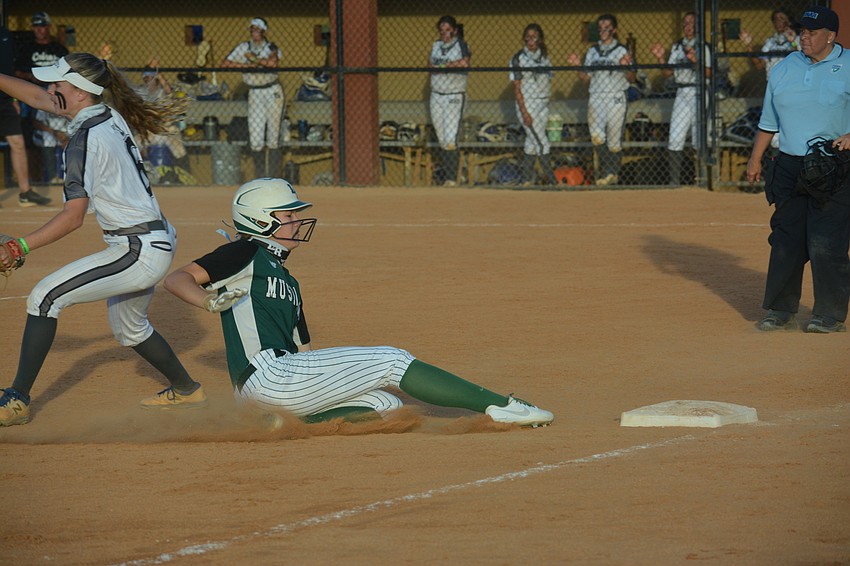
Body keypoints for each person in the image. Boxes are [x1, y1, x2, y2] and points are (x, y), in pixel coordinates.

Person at [161, 177, 555, 427]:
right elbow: (177, 279)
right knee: (391, 360)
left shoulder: (288, 281)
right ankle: (500, 405)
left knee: (387, 406)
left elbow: (305, 353)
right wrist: (209, 301)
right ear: (261, 220)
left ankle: (276, 422)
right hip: (268, 375)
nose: (297, 221)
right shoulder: (245, 252)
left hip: (276, 385)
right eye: (288, 215)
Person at [0, 53, 205, 427]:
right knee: (130, 329)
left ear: (80, 92)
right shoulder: (104, 113)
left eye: (57, 83)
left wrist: (19, 247)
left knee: (44, 297)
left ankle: (16, 400)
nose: (50, 89)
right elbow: (38, 98)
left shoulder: (83, 140)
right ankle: (188, 390)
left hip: (137, 249)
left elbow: (73, 217)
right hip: (154, 237)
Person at [745, 6, 850, 334]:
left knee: (826, 240)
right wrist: (754, 158)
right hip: (790, 165)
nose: (804, 36)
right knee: (786, 239)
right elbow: (768, 121)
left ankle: (829, 315)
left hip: (833, 164)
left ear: (830, 36)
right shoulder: (784, 68)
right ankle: (780, 309)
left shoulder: (848, 65)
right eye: (802, 30)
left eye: (812, 32)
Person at [567, 14, 634, 186]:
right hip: (596, 95)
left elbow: (632, 78)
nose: (603, 31)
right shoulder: (592, 51)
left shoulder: (621, 50)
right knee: (596, 136)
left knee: (614, 141)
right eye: (600, 28)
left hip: (616, 96)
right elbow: (585, 78)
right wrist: (577, 66)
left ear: (614, 30)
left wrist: (626, 67)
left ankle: (612, 173)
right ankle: (610, 171)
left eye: (607, 27)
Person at [651, 12, 711, 186]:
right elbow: (667, 73)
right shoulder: (677, 46)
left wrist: (695, 62)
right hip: (682, 92)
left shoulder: (703, 46)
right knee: (675, 136)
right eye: (685, 23)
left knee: (699, 138)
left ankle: (702, 180)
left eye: (691, 23)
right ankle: (674, 182)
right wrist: (660, 58)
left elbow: (709, 73)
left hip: (699, 91)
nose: (688, 27)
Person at [14, 11, 67, 205]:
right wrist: (31, 77)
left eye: (43, 26)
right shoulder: (27, 49)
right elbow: (16, 73)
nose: (40, 30)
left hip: (56, 94)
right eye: (36, 26)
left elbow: (68, 73)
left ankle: (64, 176)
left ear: (48, 27)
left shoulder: (59, 49)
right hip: (32, 96)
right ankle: (36, 177)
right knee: (27, 136)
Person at [221, 17, 284, 179]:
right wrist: (247, 65)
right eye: (252, 29)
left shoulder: (270, 47)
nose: (254, 33)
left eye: (258, 30)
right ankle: (261, 176)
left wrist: (254, 59)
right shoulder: (244, 47)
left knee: (273, 136)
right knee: (256, 138)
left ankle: (273, 177)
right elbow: (226, 63)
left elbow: (273, 63)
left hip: (272, 90)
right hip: (255, 92)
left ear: (263, 31)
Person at [1, 24, 49, 207]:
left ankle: (25, 192)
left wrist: (14, 97)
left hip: (5, 98)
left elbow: (9, 69)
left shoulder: (5, 34)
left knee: (18, 143)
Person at [510, 23, 556, 185]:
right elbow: (517, 87)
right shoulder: (518, 58)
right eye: (528, 36)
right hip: (528, 103)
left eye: (534, 36)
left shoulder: (545, 57)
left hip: (543, 103)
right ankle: (552, 181)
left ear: (540, 39)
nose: (530, 39)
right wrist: (524, 111)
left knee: (531, 143)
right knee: (541, 142)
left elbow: (548, 79)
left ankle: (526, 180)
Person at [428, 15, 471, 187]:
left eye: (448, 30)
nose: (444, 33)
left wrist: (443, 66)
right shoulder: (436, 46)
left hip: (454, 94)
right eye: (442, 30)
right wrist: (438, 67)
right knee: (442, 138)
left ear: (454, 30)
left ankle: (452, 179)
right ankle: (452, 174)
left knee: (450, 137)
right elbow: (430, 64)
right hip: (436, 94)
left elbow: (464, 63)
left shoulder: (461, 44)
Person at [134, 59, 189, 173]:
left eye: (153, 79)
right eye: (147, 79)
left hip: (165, 128)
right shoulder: (142, 92)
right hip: (149, 130)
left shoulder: (162, 92)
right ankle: (139, 172)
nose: (150, 82)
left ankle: (183, 171)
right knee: (134, 143)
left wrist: (158, 73)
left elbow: (170, 93)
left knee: (175, 143)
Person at [740, 9, 801, 79]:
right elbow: (760, 66)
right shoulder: (770, 41)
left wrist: (792, 42)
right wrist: (749, 45)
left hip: (790, 81)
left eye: (781, 18)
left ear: (789, 22)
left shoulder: (798, 39)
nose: (778, 21)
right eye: (775, 19)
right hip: (773, 82)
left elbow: (799, 61)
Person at [31, 107, 68, 183]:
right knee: (47, 138)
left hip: (65, 133)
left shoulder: (68, 104)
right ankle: (52, 177)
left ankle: (66, 177)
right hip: (47, 133)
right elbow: (35, 122)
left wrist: (68, 138)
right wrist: (53, 132)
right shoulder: (42, 104)